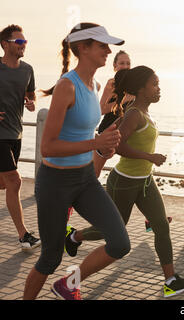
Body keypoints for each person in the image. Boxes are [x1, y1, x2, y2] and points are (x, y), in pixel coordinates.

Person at [65, 65, 184, 298]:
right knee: (113, 233)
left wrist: (147, 161)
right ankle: (74, 238)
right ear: (141, 89)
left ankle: (170, 280)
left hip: (145, 181)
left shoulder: (142, 112)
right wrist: (150, 157)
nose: (159, 88)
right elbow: (118, 146)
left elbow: (125, 136)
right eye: (154, 84)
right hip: (124, 182)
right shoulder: (134, 113)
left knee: (161, 225)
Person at [23, 23, 131, 300]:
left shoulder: (93, 84)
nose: (108, 50)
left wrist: (106, 137)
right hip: (55, 183)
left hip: (84, 179)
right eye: (102, 45)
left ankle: (68, 284)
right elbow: (48, 147)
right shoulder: (66, 86)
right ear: (83, 48)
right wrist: (96, 143)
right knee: (50, 258)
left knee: (119, 243)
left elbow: (83, 129)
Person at [0, 24, 40, 252]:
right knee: (15, 181)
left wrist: (31, 103)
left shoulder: (28, 70)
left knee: (4, 184)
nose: (24, 45)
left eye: (25, 42)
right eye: (19, 42)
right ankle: (24, 236)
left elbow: (30, 96)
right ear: (5, 44)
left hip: (16, 133)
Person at [94, 50, 133, 177]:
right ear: (115, 66)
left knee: (133, 168)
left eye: (128, 63)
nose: (126, 66)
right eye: (122, 63)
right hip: (108, 132)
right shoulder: (112, 84)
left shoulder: (135, 87)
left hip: (125, 134)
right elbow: (100, 110)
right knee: (94, 173)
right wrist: (122, 101)